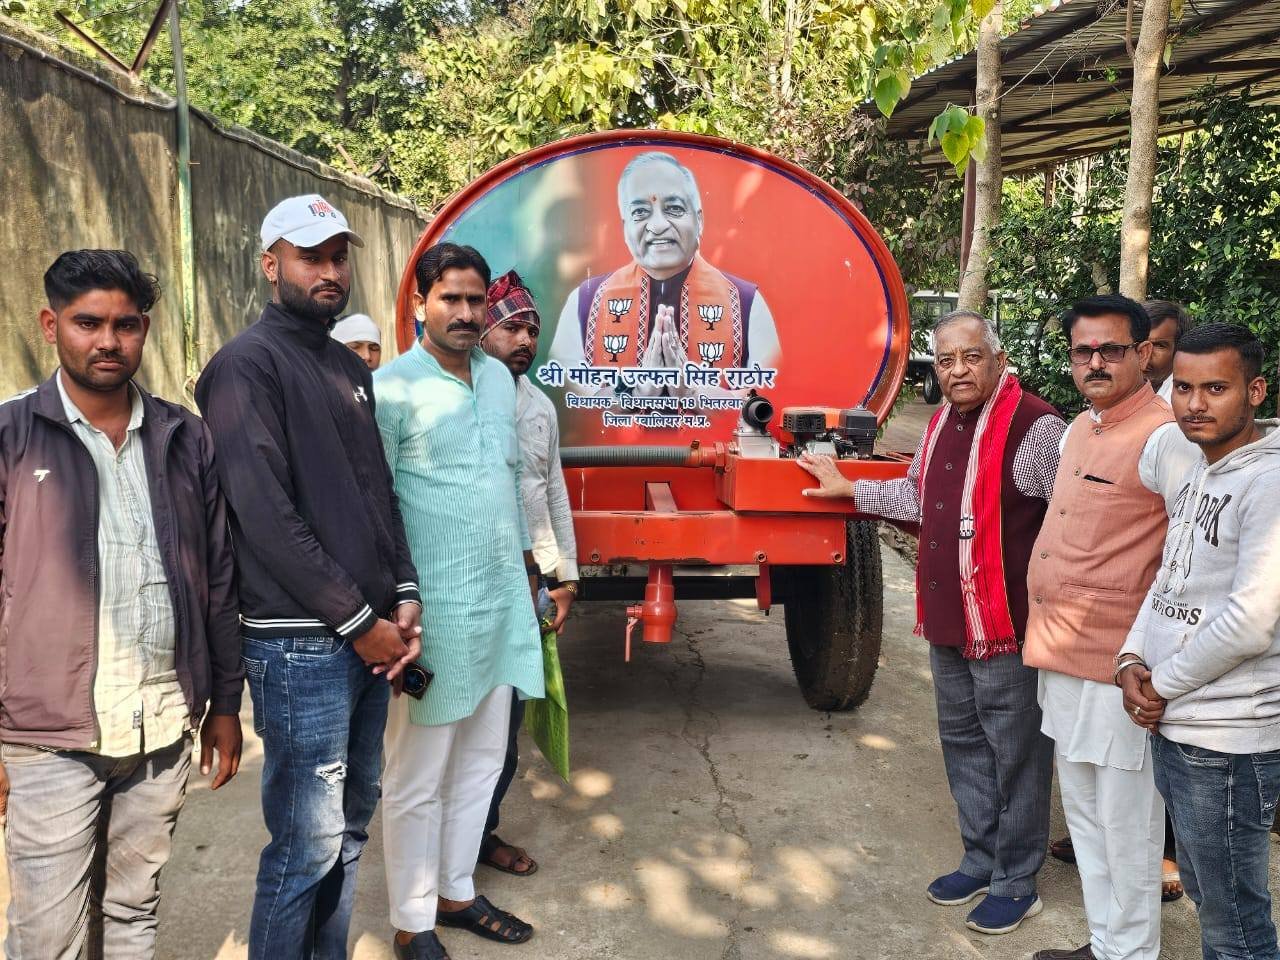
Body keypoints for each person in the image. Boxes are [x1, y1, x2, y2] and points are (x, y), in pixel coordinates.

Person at [195, 194, 423, 959]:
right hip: (301, 646)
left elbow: (377, 492)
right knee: (304, 847)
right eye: (310, 257)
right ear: (271, 264)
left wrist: (404, 592)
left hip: (366, 639)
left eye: (337, 256)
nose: (329, 271)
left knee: (350, 830)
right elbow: (264, 512)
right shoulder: (244, 368)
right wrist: (360, 622)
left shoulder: (346, 367)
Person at [0, 249, 243, 958]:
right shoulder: (11, 438)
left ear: (144, 330)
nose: (108, 341)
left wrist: (225, 704)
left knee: (134, 912)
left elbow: (218, 577)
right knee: (49, 935)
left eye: (126, 324)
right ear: (51, 325)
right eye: (88, 323)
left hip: (162, 723)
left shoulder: (183, 436)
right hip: (49, 736)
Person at [798, 311, 1062, 935]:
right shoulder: (944, 422)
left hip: (1006, 623)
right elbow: (918, 498)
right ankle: (981, 858)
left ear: (998, 360)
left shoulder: (1036, 426)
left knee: (1016, 752)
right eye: (946, 360)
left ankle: (1017, 881)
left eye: (971, 357)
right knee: (963, 741)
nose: (957, 371)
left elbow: (1073, 519)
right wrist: (850, 489)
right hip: (949, 615)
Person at [374, 243, 545, 960]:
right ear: (420, 304)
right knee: (418, 773)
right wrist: (389, 605)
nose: (467, 313)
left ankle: (456, 890)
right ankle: (412, 920)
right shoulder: (390, 388)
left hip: (500, 605)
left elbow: (511, 483)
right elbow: (375, 506)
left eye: (477, 300)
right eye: (451, 298)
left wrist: (534, 574)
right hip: (431, 615)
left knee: (480, 761)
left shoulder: (500, 382)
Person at [1022, 294, 1199, 960]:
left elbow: (1188, 560)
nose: (1095, 362)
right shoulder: (1079, 427)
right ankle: (1105, 944)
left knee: (1128, 825)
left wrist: (1155, 657)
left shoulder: (1165, 437)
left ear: (1143, 353)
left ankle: (1131, 952)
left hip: (1122, 667)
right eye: (1083, 351)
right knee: (1086, 815)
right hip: (1061, 651)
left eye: (1112, 350)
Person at [1117, 323, 1280, 960]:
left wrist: (1159, 684)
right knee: (1214, 903)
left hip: (1228, 741)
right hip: (1181, 727)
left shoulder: (1268, 484)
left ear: (1255, 391)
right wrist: (1131, 658)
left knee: (1235, 925)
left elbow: (1250, 621)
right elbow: (1169, 580)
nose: (1194, 404)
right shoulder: (1200, 474)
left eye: (1215, 388)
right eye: (1183, 388)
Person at [478, 269, 579, 878]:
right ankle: (446, 849)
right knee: (464, 727)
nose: (524, 340)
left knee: (508, 726)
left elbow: (554, 493)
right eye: (512, 327)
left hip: (532, 586)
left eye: (532, 330)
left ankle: (480, 836)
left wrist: (565, 578)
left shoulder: (540, 405)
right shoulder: (465, 398)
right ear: (485, 330)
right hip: (473, 586)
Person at [548, 151, 780, 393]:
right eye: (640, 212)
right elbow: (565, 398)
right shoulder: (585, 301)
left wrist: (694, 394)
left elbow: (771, 394)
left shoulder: (746, 302)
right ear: (625, 228)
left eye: (674, 208)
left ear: (699, 220)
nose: (657, 226)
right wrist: (636, 394)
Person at [1142, 299, 1192, 403]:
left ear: (1179, 351)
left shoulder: (1185, 404)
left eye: (1159, 345)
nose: (1145, 354)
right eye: (1139, 343)